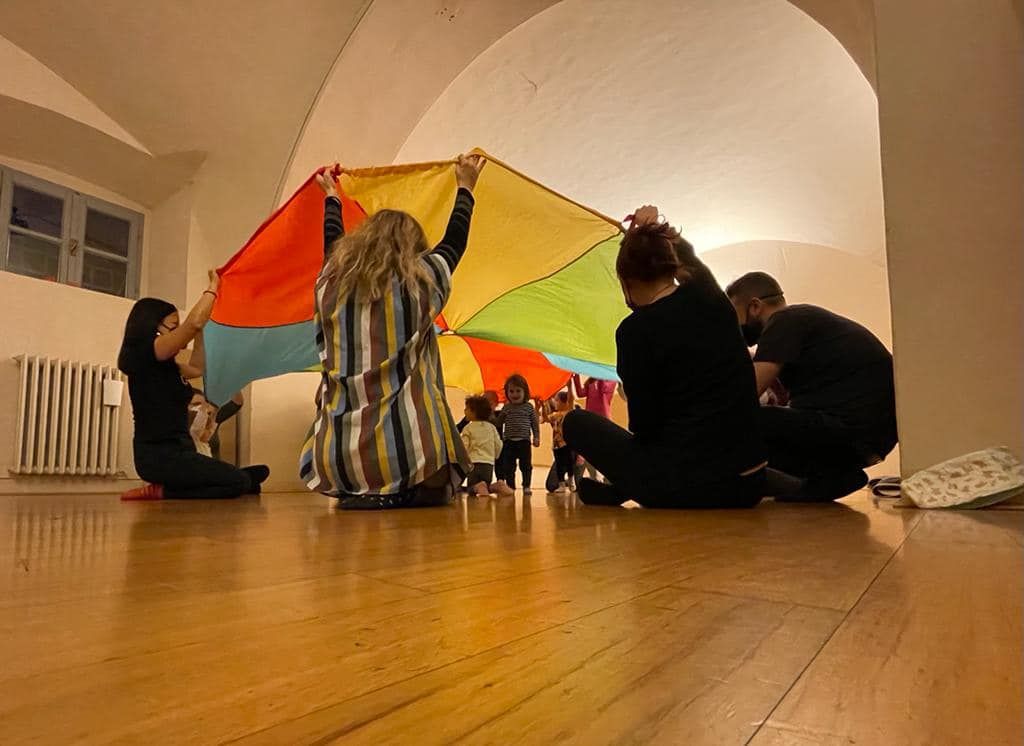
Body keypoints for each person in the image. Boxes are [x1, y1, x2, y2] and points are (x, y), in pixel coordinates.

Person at [300, 154, 487, 509]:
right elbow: (454, 243)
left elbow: (331, 245)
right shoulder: (419, 284)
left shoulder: (328, 284)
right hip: (404, 457)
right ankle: (401, 490)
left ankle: (364, 487)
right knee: (448, 469)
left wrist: (331, 198)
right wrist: (466, 186)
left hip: (335, 461)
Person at [562, 205, 767, 508]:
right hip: (750, 482)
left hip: (684, 485)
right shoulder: (714, 301)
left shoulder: (634, 331)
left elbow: (645, 426)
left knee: (575, 423)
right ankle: (621, 488)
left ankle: (625, 487)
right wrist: (656, 228)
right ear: (672, 267)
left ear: (626, 282)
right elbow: (693, 265)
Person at [726, 271, 897, 501]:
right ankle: (834, 477)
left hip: (848, 430)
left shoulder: (784, 320)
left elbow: (745, 393)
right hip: (869, 441)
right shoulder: (807, 323)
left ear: (755, 306)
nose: (733, 326)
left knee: (739, 420)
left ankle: (822, 477)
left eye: (733, 314)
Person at [117, 282, 270, 500]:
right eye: (173, 327)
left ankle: (234, 481)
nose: (179, 335)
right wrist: (213, 288)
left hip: (183, 453)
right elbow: (193, 323)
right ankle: (162, 491)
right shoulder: (146, 354)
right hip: (158, 458)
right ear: (153, 327)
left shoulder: (171, 368)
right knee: (241, 482)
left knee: (258, 475)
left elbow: (197, 367)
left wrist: (202, 329)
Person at [495, 374, 540, 495]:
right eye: (511, 391)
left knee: (526, 466)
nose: (514, 394)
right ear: (507, 393)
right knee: (509, 467)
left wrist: (536, 437)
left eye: (518, 391)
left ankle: (526, 486)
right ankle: (511, 486)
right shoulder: (506, 408)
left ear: (525, 392)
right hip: (509, 442)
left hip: (524, 441)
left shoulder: (529, 407)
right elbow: (499, 422)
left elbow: (534, 424)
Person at [460, 395, 510, 496]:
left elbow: (464, 447)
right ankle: (497, 485)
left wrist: (462, 460)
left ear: (474, 412)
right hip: (488, 464)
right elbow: (499, 444)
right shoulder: (492, 427)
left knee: (471, 488)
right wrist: (495, 456)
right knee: (485, 485)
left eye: (467, 409)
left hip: (473, 464)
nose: (464, 411)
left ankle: (479, 486)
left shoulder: (468, 428)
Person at [571, 373, 616, 480]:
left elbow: (603, 390)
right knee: (588, 448)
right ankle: (594, 476)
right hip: (590, 419)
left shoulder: (611, 380)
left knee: (603, 449)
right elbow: (580, 393)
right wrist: (576, 376)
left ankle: (606, 476)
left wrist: (598, 375)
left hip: (603, 419)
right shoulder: (591, 382)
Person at [540, 388, 575, 493]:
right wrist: (542, 406)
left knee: (569, 462)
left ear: (564, 402)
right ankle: (561, 484)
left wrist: (569, 385)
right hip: (556, 445)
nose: (555, 402)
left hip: (566, 443)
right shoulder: (555, 415)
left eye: (557, 400)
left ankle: (571, 480)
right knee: (559, 464)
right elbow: (545, 419)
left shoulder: (569, 412)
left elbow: (571, 399)